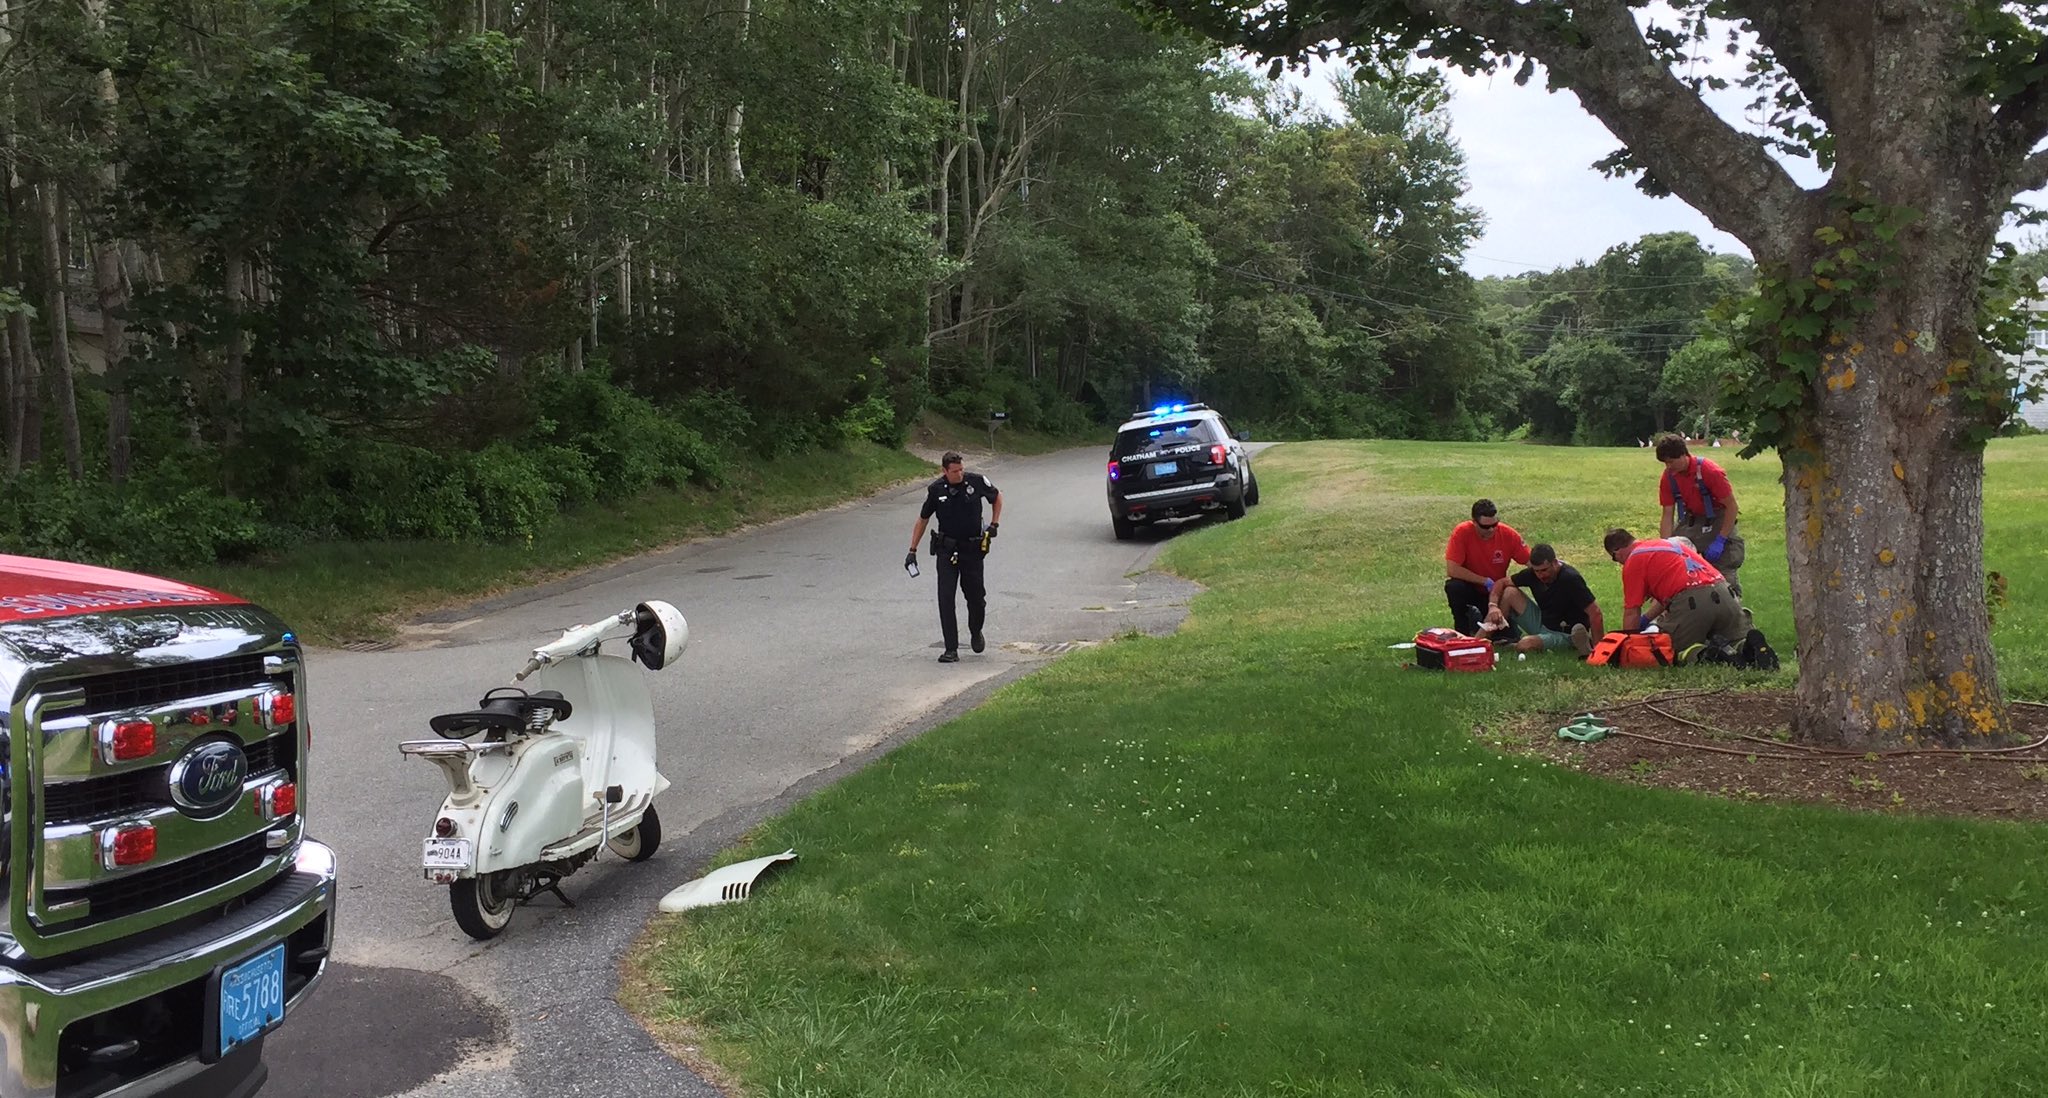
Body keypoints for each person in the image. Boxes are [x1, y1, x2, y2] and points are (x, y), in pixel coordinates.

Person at [907, 452, 1002, 663]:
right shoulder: (936, 490)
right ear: (944, 471)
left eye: (961, 469)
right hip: (947, 549)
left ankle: (976, 631)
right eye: (954, 471)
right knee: (946, 598)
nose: (959, 474)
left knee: (976, 599)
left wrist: (994, 524)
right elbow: (923, 520)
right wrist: (912, 550)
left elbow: (996, 498)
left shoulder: (976, 482)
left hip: (972, 549)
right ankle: (951, 648)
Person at [1603, 527, 1757, 654]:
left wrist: (1628, 645)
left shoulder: (1634, 560)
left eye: (1615, 559)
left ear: (1617, 552)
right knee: (1733, 638)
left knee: (1668, 651)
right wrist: (1647, 618)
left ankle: (1707, 655)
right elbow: (1670, 594)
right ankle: (1747, 647)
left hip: (1693, 602)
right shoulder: (1669, 546)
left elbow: (1632, 611)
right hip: (1725, 593)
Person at [1654, 433, 1744, 596]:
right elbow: (1667, 514)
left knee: (1725, 571)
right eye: (1665, 463)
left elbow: (1731, 507)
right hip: (1692, 520)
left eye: (1671, 461)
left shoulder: (1709, 471)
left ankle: (1733, 609)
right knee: (1678, 564)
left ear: (1683, 455)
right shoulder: (1669, 477)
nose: (1668, 467)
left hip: (1718, 519)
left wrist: (1721, 539)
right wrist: (1666, 546)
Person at [1481, 543, 1604, 657]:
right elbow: (1501, 583)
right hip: (1544, 622)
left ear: (1555, 563)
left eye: (1544, 570)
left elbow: (1595, 612)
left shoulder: (1570, 579)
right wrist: (1493, 606)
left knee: (1525, 644)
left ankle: (1581, 643)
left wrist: (1599, 650)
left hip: (1567, 633)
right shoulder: (1533, 574)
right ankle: (1478, 642)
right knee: (1509, 592)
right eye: (1537, 571)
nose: (1541, 575)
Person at [1444, 499, 1530, 636]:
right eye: (1485, 527)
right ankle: (1463, 629)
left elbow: (1531, 561)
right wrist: (1484, 581)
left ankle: (1490, 624)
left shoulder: (1508, 534)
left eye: (1495, 524)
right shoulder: (1462, 532)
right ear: (1474, 522)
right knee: (1454, 587)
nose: (1491, 529)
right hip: (1472, 588)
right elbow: (1452, 569)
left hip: (1495, 594)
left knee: (1508, 636)